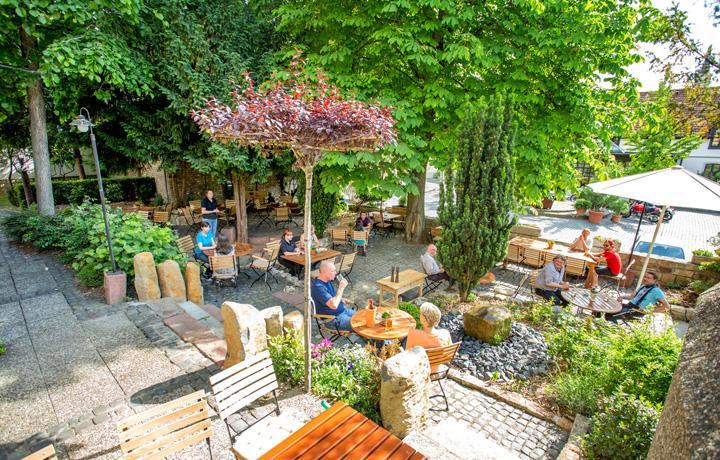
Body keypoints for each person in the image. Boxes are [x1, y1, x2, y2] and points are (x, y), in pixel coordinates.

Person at [405, 302, 452, 372]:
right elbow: (449, 356)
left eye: (420, 314)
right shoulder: (445, 333)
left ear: (424, 319)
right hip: (436, 370)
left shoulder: (413, 334)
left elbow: (407, 356)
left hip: (419, 372)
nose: (419, 315)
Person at [311, 260, 356, 331]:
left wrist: (341, 299)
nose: (336, 273)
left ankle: (372, 340)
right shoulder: (318, 287)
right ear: (325, 272)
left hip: (343, 311)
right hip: (333, 319)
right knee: (360, 324)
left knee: (364, 317)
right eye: (333, 271)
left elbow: (332, 297)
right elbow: (334, 305)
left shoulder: (327, 281)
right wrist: (341, 288)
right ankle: (373, 341)